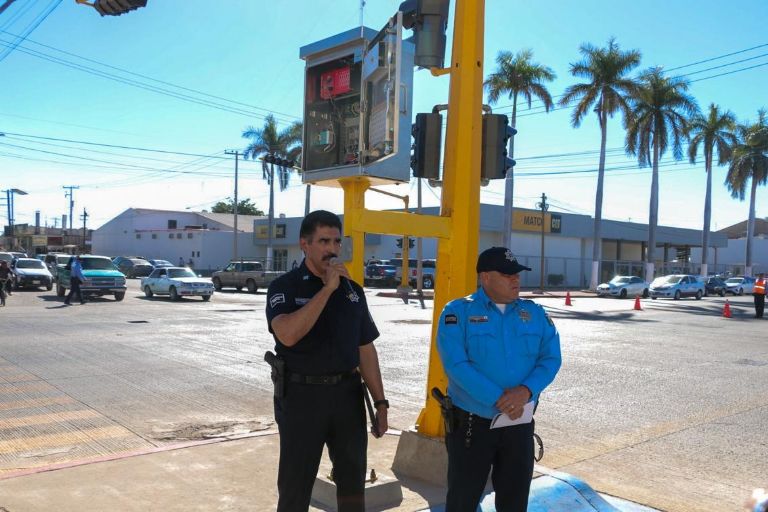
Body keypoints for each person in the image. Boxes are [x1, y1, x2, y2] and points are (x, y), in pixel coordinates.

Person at [265, 210, 388, 512]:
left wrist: (380, 403)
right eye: (323, 241)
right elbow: (288, 335)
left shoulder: (353, 291)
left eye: (336, 241)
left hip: (347, 397)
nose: (331, 249)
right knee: (295, 486)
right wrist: (327, 289)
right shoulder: (285, 287)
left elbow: (366, 350)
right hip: (301, 398)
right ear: (304, 244)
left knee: (352, 484)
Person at [437, 247, 562, 512]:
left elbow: (550, 359)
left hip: (519, 423)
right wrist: (501, 399)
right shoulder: (457, 313)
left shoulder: (535, 314)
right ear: (485, 277)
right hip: (473, 426)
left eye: (516, 274)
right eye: (506, 274)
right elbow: (457, 366)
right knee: (463, 499)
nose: (515, 279)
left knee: (514, 500)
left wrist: (525, 392)